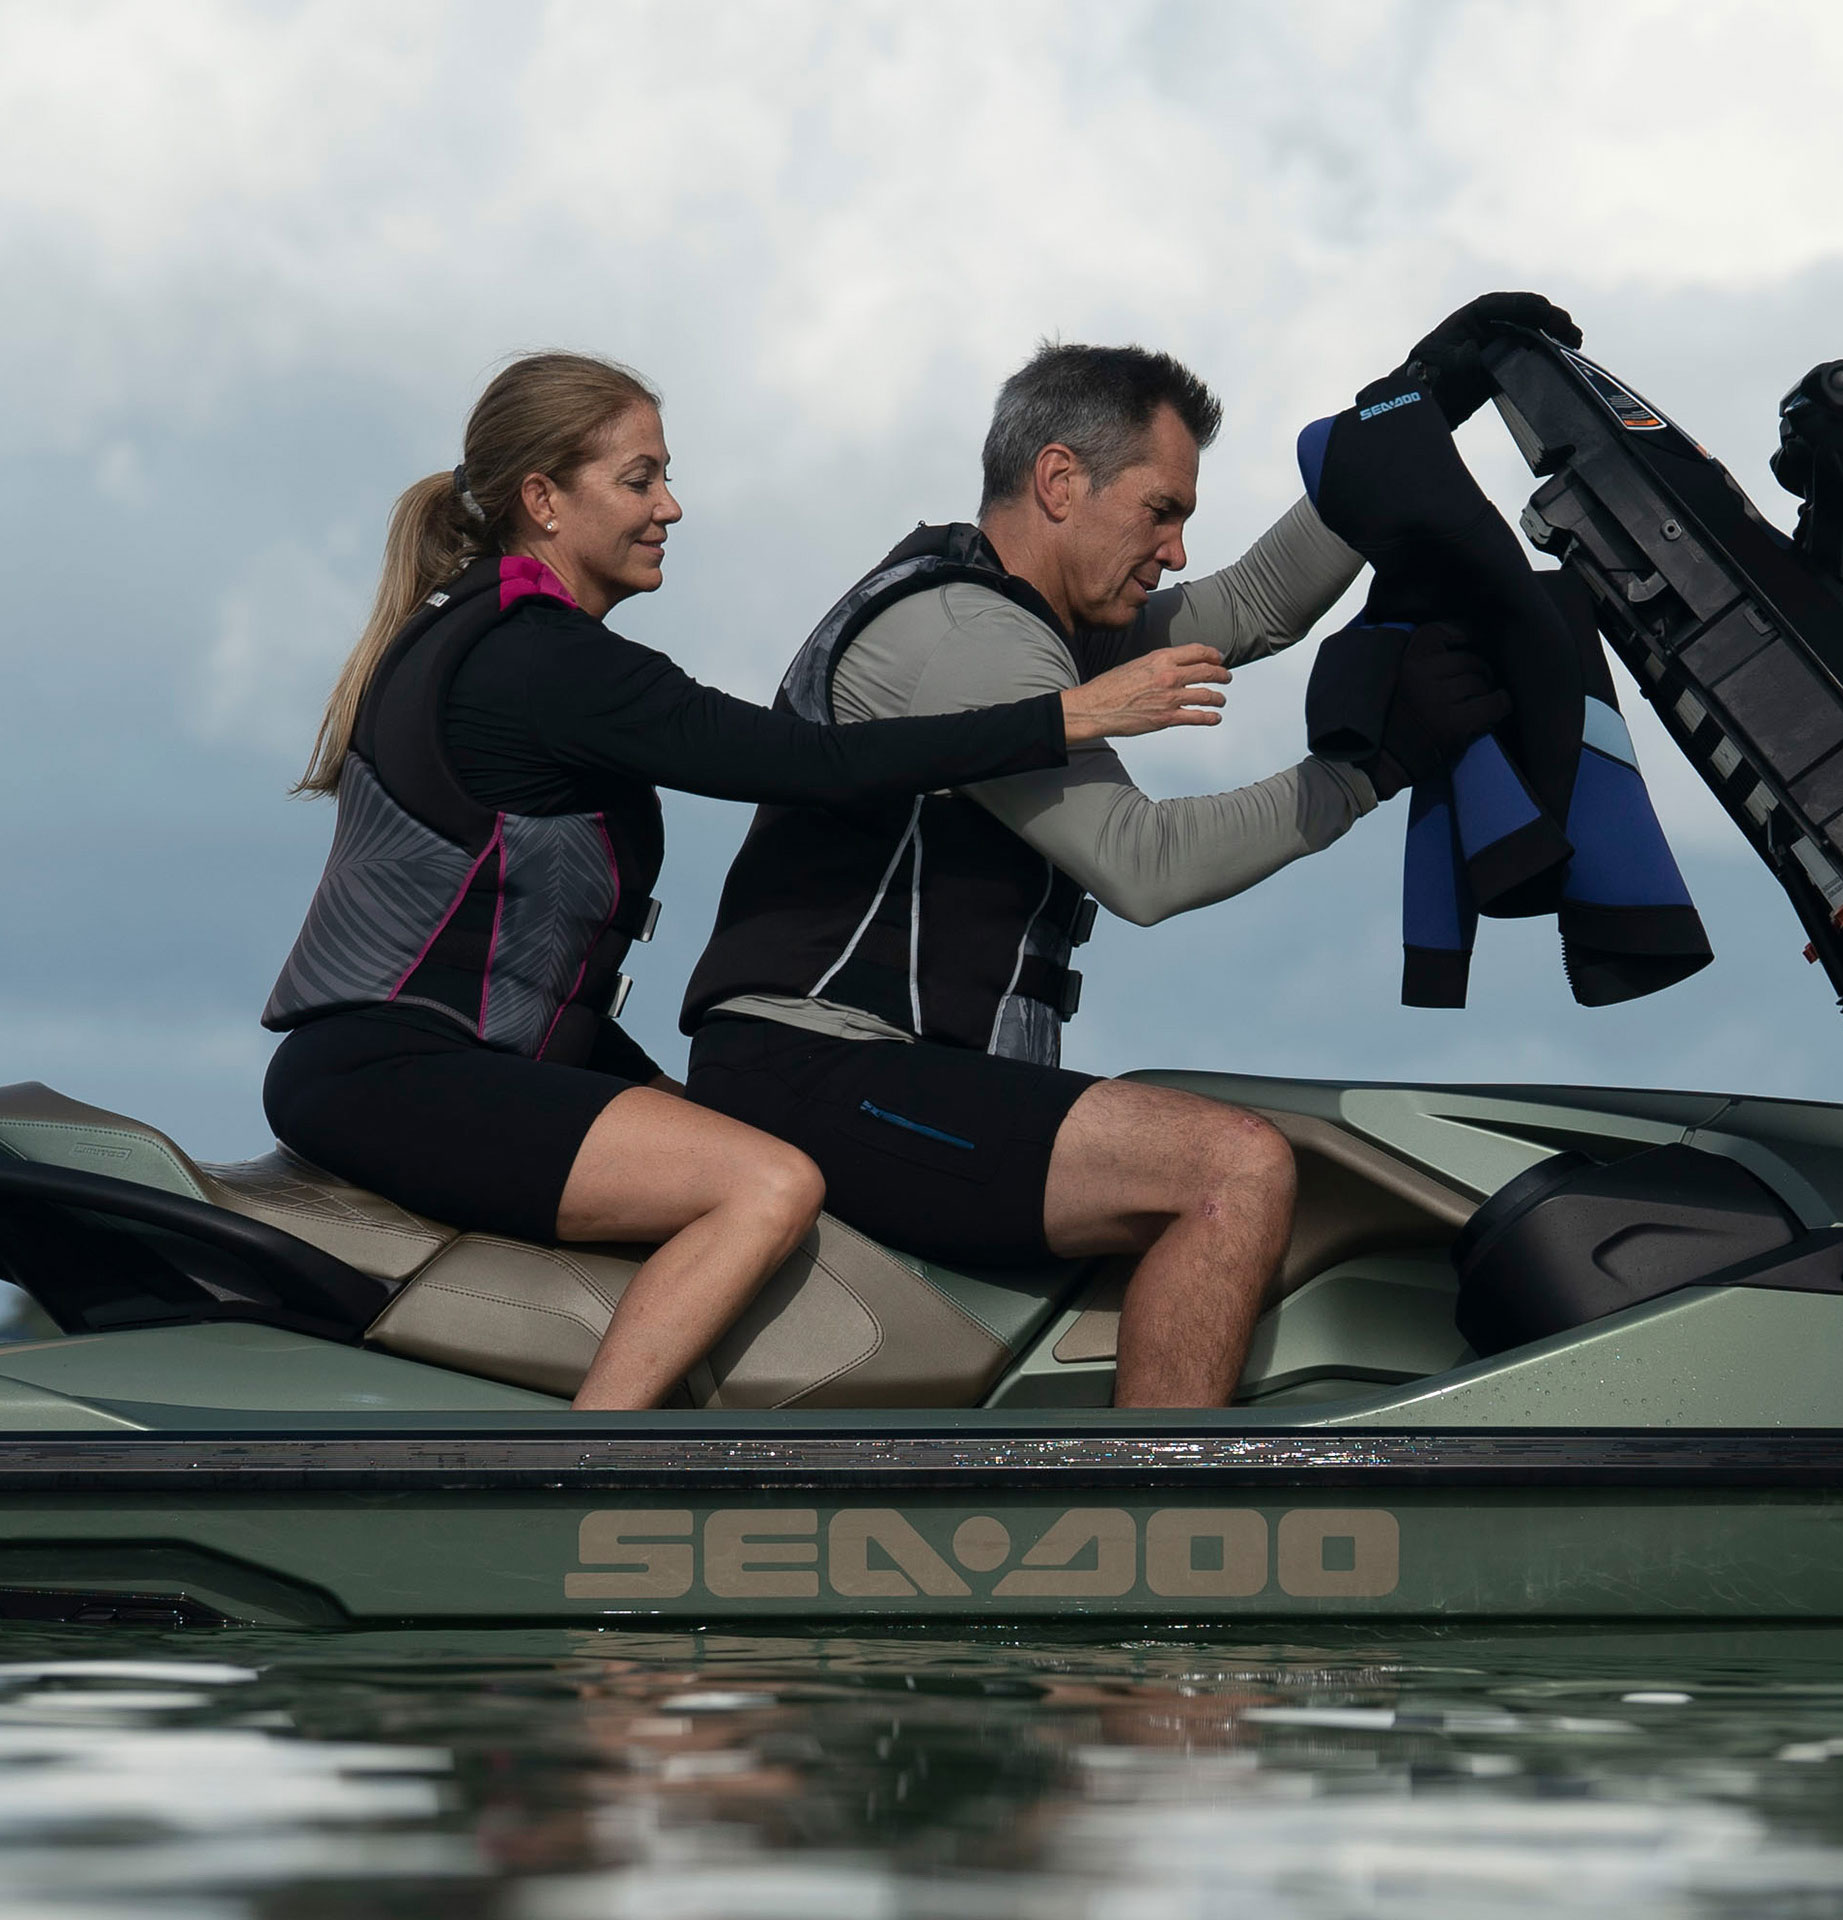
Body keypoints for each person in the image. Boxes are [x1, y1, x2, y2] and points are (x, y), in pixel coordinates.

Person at [260, 352, 1220, 1411]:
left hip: (399, 1064)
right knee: (767, 1181)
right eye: (638, 480)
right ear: (543, 499)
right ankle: (585, 1480)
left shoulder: (481, 633)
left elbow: (521, 970)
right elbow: (804, 761)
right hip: (398, 1073)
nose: (669, 506)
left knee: (742, 1151)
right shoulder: (538, 660)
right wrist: (1065, 717)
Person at [679, 298, 1573, 1410]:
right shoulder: (962, 637)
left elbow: (1248, 605)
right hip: (815, 1075)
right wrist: (1368, 772)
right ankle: (1164, 1534)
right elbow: (1141, 863)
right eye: (1159, 511)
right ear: (1059, 481)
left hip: (892, 1072)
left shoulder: (1037, 623)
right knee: (1229, 1165)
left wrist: (1406, 412)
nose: (1176, 548)